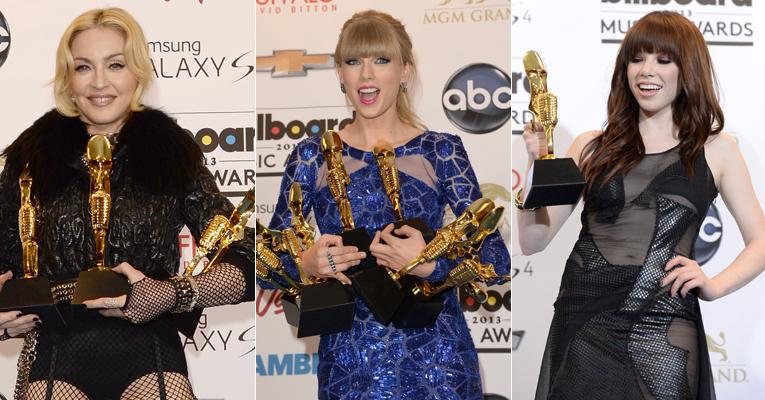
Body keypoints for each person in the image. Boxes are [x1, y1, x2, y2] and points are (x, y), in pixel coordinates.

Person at [0, 8, 254, 399]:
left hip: (149, 348)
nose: (99, 82)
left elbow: (245, 256)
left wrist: (172, 294)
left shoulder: (170, 151)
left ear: (137, 73)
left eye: (115, 64)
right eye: (83, 67)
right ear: (68, 80)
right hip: (56, 350)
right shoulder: (30, 158)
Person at [262, 10, 510, 400]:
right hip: (350, 364)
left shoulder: (441, 151)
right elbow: (265, 262)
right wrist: (306, 264)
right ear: (339, 73)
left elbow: (497, 260)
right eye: (353, 61)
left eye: (381, 60)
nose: (366, 75)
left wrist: (433, 262)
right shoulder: (312, 157)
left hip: (438, 362)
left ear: (406, 71)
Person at [517, 11, 765, 400]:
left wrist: (714, 286)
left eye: (663, 60)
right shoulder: (590, 146)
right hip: (583, 322)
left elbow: (761, 242)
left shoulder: (717, 150)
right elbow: (533, 241)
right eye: (637, 58)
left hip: (662, 326)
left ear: (688, 70)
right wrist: (537, 164)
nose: (646, 70)